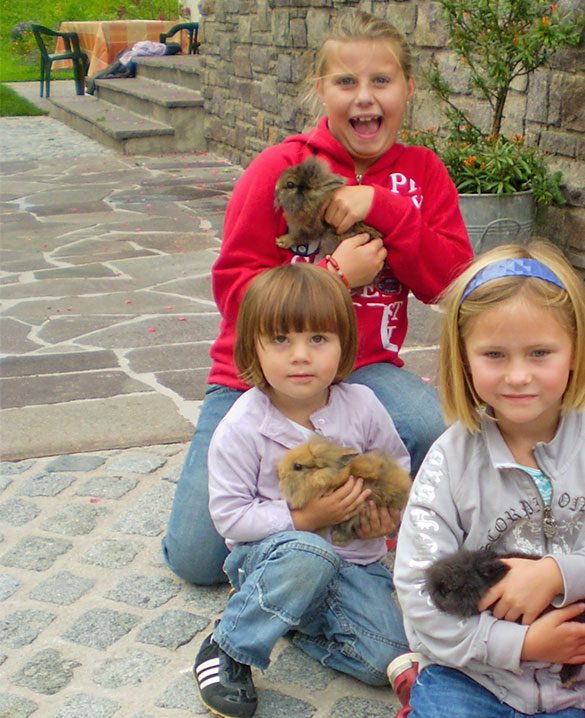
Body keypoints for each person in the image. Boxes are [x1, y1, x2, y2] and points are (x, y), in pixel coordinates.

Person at [162, 10, 472, 586]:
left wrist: (386, 209)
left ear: (408, 88)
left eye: (381, 81)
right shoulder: (280, 169)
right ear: (320, 89)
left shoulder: (422, 176)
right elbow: (235, 287)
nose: (364, 98)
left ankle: (392, 533)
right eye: (346, 82)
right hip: (254, 375)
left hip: (360, 373)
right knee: (198, 562)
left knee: (427, 425)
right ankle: (289, 530)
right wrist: (332, 277)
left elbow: (451, 281)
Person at [393, 242, 585, 717]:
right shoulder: (450, 459)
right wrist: (522, 643)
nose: (517, 376)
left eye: (539, 353)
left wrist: (560, 574)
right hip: (477, 679)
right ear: (464, 359)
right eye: (494, 354)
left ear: (574, 351)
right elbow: (420, 594)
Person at [192, 263, 413, 718]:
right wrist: (303, 521)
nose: (300, 356)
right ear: (252, 345)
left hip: (356, 564)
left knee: (385, 656)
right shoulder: (244, 425)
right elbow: (230, 516)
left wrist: (388, 515)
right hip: (275, 556)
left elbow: (397, 466)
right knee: (309, 554)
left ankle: (290, 617)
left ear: (343, 343)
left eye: (318, 339)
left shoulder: (363, 406)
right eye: (281, 340)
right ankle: (229, 645)